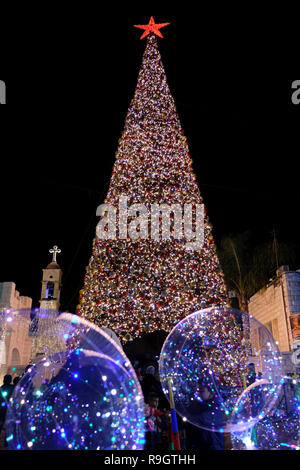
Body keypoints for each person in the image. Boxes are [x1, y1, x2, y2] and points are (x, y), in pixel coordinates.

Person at [183, 384, 225, 450]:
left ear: (211, 392)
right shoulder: (196, 405)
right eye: (197, 391)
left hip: (213, 446)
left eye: (201, 391)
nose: (198, 394)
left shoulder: (216, 406)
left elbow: (201, 419)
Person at [0, 375, 15, 442]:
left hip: (2, 409)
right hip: (8, 409)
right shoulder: (12, 387)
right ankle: (6, 441)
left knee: (2, 423)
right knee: (7, 425)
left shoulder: (2, 387)